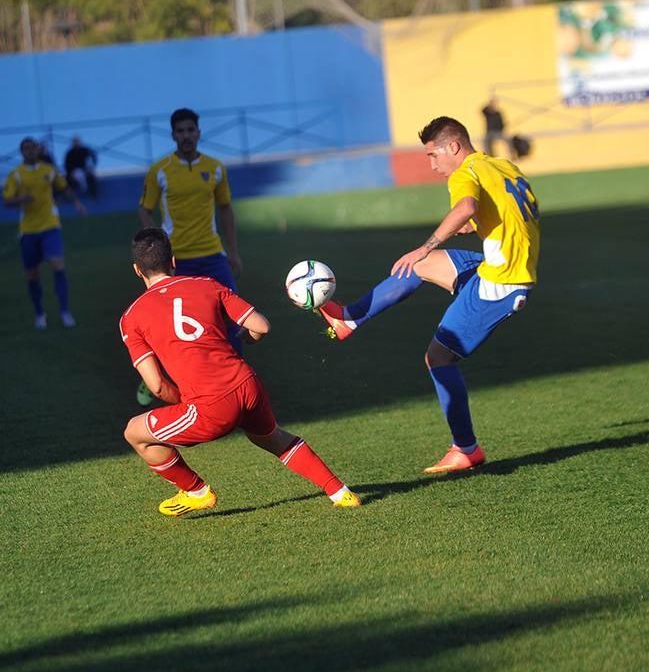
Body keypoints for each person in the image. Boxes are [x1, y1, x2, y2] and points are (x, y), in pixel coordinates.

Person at [315, 116, 540, 474]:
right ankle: (349, 318)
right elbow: (510, 208)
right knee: (422, 266)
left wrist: (426, 244)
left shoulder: (464, 172)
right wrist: (477, 223)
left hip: (501, 281)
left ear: (454, 146)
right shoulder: (500, 164)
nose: (433, 165)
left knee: (438, 359)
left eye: (434, 155)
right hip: (502, 266)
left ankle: (465, 448)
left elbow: (465, 206)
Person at [119, 227, 361, 516]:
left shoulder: (131, 318)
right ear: (173, 261)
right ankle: (340, 492)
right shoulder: (207, 284)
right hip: (247, 385)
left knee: (135, 432)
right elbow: (261, 326)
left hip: (210, 405)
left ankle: (196, 492)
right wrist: (247, 337)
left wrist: (186, 403)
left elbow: (156, 386)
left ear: (137, 270)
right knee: (272, 438)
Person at [136, 107, 242, 406]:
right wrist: (154, 248)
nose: (186, 136)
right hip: (175, 260)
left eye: (190, 130)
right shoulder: (160, 171)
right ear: (173, 135)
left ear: (198, 132)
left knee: (234, 319)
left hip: (212, 255)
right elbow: (144, 208)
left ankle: (235, 385)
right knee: (168, 326)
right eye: (180, 131)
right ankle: (153, 378)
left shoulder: (216, 168)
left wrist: (233, 252)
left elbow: (226, 209)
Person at [2, 136, 86, 329]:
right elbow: (6, 200)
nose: (30, 151)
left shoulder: (49, 171)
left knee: (57, 264)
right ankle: (40, 313)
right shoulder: (16, 175)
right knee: (32, 274)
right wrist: (20, 199)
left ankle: (65, 312)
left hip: (50, 226)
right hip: (28, 230)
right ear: (22, 152)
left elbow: (64, 188)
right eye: (26, 149)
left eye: (33, 148)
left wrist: (77, 203)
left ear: (38, 151)